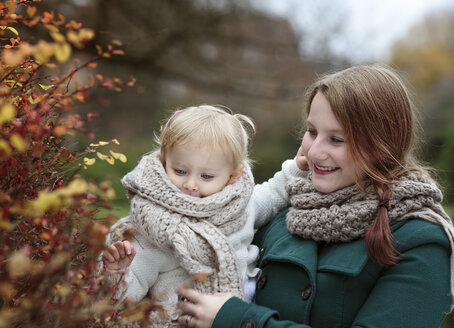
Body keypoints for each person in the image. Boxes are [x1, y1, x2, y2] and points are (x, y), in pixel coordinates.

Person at [176, 65, 454, 328]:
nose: (314, 151)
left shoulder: (421, 239)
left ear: (382, 146)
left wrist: (237, 320)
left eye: (336, 139)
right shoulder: (291, 209)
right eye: (312, 132)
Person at [101, 105, 305, 327]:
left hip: (240, 314)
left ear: (233, 175)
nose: (190, 185)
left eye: (206, 176)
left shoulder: (240, 206)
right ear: (164, 162)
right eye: (180, 171)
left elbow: (275, 191)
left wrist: (300, 166)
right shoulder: (156, 226)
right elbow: (125, 297)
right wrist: (117, 272)